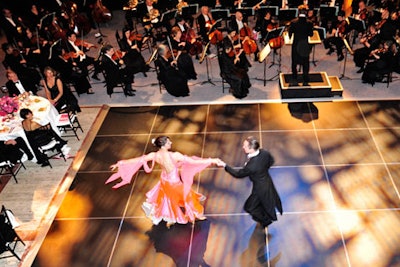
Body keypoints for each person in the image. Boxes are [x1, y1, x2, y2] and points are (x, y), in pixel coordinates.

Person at [106, 136, 220, 227]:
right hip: (173, 183)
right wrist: (211, 160)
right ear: (164, 145)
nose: (171, 143)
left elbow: (139, 159)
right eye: (169, 142)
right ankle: (198, 215)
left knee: (168, 199)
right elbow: (192, 162)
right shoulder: (175, 155)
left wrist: (121, 162)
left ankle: (170, 217)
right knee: (188, 197)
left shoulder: (154, 155)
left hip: (164, 181)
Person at [216, 136, 283, 228]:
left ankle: (265, 221)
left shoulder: (251, 166)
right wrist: (261, 171)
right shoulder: (264, 152)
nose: (243, 147)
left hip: (260, 188)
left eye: (245, 146)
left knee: (249, 207)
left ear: (251, 149)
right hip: (266, 181)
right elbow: (271, 161)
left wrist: (224, 165)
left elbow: (238, 174)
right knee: (260, 202)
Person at [288, 7, 314, 86]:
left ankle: (294, 76)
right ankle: (305, 77)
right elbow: (311, 34)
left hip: (296, 44)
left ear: (298, 13)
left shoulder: (293, 22)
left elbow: (290, 34)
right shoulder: (309, 23)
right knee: (305, 62)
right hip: (305, 45)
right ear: (306, 13)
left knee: (294, 61)